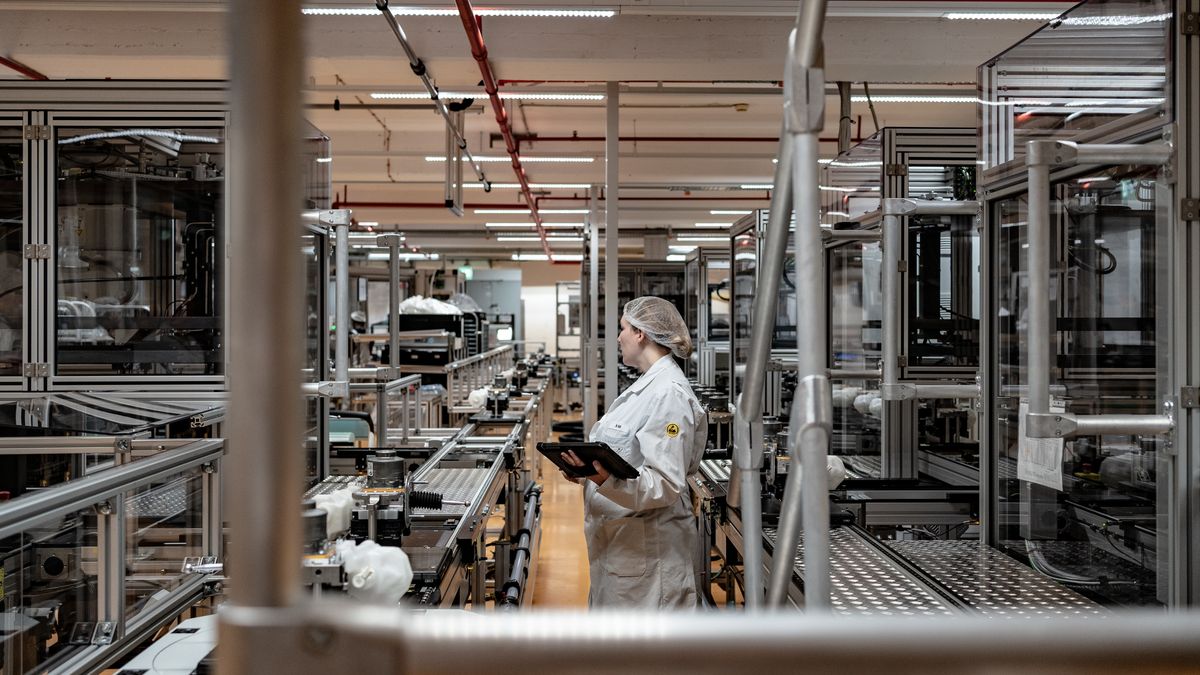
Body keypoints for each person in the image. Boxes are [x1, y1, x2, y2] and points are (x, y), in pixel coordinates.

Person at [560, 296, 707, 609]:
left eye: (623, 328)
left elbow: (665, 483)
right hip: (623, 549)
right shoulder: (649, 386)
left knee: (650, 655)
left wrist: (604, 480)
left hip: (649, 558)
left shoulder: (669, 393)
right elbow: (631, 458)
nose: (618, 337)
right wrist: (587, 472)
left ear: (641, 334)